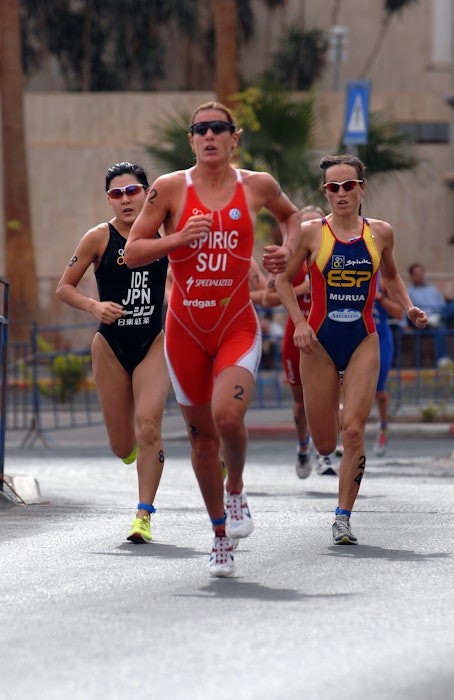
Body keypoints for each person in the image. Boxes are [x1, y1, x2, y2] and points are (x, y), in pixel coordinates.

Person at [124, 101, 300, 576]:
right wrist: (177, 240)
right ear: (191, 139)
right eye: (200, 129)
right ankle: (220, 536)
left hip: (235, 324)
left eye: (218, 128)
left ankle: (236, 487)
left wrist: (286, 252)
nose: (209, 135)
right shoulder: (169, 188)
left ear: (233, 137)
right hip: (185, 330)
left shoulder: (257, 185)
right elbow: (133, 251)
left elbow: (291, 218)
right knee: (202, 441)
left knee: (227, 416)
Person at [276, 153, 427, 546]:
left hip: (363, 338)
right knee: (327, 443)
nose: (341, 193)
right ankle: (324, 439)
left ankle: (342, 517)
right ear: (325, 192)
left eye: (348, 185)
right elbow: (282, 282)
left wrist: (409, 306)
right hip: (319, 344)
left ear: (362, 188)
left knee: (354, 431)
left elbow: (391, 276)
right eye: (333, 187)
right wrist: (300, 323)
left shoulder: (381, 233)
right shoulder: (312, 233)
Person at [56, 162, 171, 545]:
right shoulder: (98, 237)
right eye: (116, 194)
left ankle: (143, 515)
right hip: (110, 347)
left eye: (132, 191)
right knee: (123, 446)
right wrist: (94, 306)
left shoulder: (163, 232)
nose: (125, 199)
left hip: (153, 342)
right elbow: (64, 287)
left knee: (149, 427)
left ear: (147, 193)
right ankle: (135, 449)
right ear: (109, 200)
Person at [263, 205, 337, 478]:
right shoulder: (287, 259)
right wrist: (304, 288)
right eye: (304, 225)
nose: (310, 230)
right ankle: (303, 445)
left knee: (330, 398)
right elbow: (268, 298)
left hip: (327, 335)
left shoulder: (333, 255)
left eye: (316, 224)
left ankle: (325, 454)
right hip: (296, 337)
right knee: (301, 401)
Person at [372, 276, 403, 456]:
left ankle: (383, 427)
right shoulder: (349, 275)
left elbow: (399, 313)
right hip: (357, 336)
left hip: (380, 338)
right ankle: (347, 434)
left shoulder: (382, 281)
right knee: (348, 388)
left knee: (379, 391)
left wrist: (380, 298)